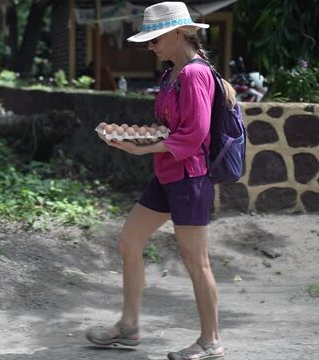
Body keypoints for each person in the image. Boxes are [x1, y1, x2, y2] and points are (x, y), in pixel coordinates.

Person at [85, 2, 234, 359]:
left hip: (190, 178)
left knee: (196, 261)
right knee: (129, 241)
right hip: (168, 174)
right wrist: (145, 141)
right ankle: (130, 325)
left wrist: (142, 149)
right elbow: (171, 128)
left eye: (155, 39)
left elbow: (195, 133)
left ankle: (211, 342)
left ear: (179, 33)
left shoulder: (195, 74)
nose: (150, 46)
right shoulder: (171, 75)